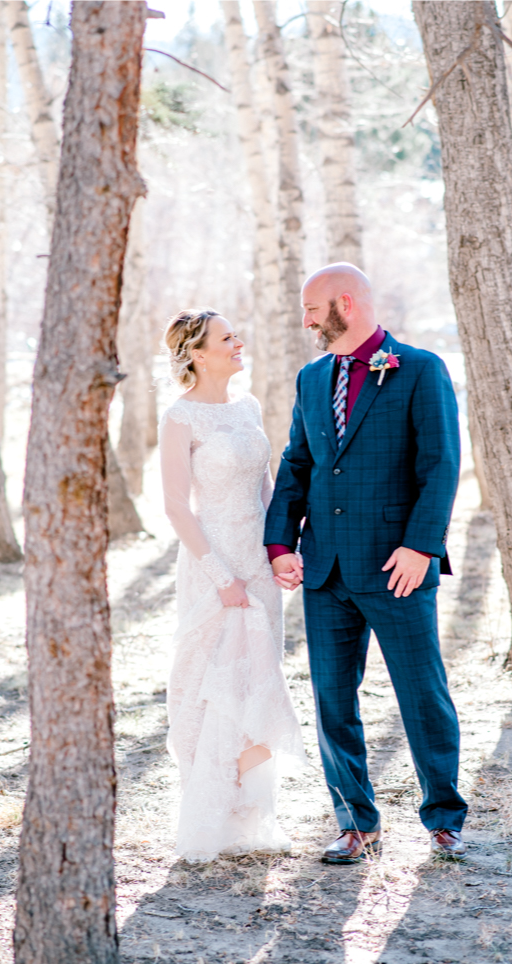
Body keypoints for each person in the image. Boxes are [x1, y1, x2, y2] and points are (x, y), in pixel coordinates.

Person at [264, 262, 466, 865]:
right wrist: (280, 544)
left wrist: (421, 544)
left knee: (422, 693)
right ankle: (355, 821)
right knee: (331, 697)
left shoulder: (420, 370)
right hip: (324, 570)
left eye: (311, 309)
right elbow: (297, 465)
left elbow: (441, 464)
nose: (305, 321)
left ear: (345, 304)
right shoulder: (310, 378)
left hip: (396, 567)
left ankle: (444, 819)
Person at [158, 310, 304, 863]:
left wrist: (281, 552)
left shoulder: (248, 408)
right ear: (197, 353)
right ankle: (211, 813)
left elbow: (266, 488)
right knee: (209, 678)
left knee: (256, 675)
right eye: (226, 338)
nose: (239, 341)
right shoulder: (180, 418)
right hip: (210, 563)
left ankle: (252, 814)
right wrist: (221, 578)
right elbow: (176, 506)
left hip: (258, 562)